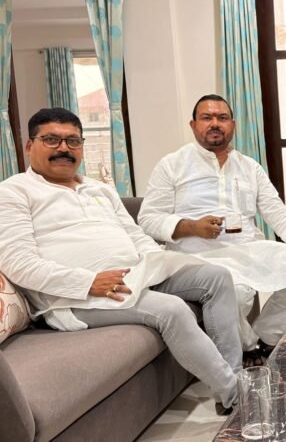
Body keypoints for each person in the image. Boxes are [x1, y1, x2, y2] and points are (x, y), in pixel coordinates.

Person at [0, 108, 242, 412]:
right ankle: (237, 396)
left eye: (73, 141)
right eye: (51, 140)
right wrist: (88, 282)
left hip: (136, 275)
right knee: (172, 309)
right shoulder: (13, 192)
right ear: (29, 145)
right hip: (76, 298)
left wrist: (157, 263)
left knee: (217, 277)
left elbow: (135, 234)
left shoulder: (99, 189)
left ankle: (238, 376)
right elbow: (18, 262)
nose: (64, 148)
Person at [139, 95, 286, 360]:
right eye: (207, 118)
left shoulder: (249, 167)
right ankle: (248, 349)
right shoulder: (172, 165)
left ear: (233, 125)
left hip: (247, 250)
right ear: (193, 125)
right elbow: (148, 218)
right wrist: (191, 227)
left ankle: (267, 337)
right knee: (234, 293)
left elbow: (275, 209)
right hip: (196, 258)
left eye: (222, 118)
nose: (215, 123)